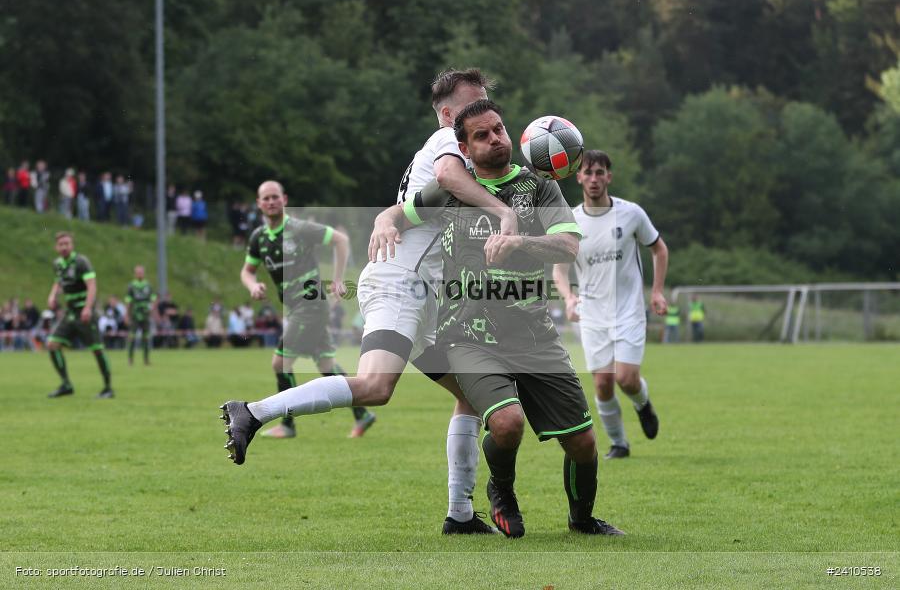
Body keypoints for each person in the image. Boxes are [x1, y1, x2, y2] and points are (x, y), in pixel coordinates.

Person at [220, 68, 516, 535]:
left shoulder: (452, 146)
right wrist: (504, 214)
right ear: (446, 115)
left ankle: (460, 514)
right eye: (472, 105)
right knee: (376, 385)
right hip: (401, 283)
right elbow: (446, 176)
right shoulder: (445, 143)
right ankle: (254, 412)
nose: (483, 114)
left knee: (471, 395)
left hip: (419, 295)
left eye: (487, 105)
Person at [400, 100, 624, 537]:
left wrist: (519, 241)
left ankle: (582, 521)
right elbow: (401, 212)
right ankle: (501, 489)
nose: (496, 138)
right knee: (506, 422)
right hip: (470, 335)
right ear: (464, 147)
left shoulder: (539, 188)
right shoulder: (450, 192)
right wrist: (387, 223)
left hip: (534, 334)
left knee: (582, 442)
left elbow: (568, 248)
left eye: (499, 129)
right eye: (482, 135)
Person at [234, 180, 376, 439]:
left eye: (275, 197)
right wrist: (252, 285)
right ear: (258, 204)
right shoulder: (259, 238)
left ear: (284, 199)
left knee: (280, 363)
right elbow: (247, 271)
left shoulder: (299, 229)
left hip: (310, 304)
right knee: (326, 364)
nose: (270, 202)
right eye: (265, 198)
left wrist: (337, 279)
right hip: (296, 308)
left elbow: (341, 240)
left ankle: (287, 425)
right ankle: (363, 414)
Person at [552, 150, 668, 460]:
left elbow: (659, 249)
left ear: (609, 177)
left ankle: (642, 403)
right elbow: (559, 269)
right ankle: (619, 443)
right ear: (579, 178)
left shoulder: (631, 214)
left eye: (599, 172)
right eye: (588, 173)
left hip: (629, 309)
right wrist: (569, 297)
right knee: (602, 384)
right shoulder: (571, 222)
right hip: (592, 314)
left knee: (626, 379)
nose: (593, 179)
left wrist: (656, 292)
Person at [45, 232, 114, 398]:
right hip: (70, 312)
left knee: (97, 349)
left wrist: (88, 308)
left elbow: (92, 286)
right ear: (56, 247)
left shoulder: (81, 262)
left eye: (67, 243)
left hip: (84, 310)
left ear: (72, 245)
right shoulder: (58, 264)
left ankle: (108, 388)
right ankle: (66, 384)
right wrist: (52, 295)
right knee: (53, 345)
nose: (64, 247)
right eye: (61, 244)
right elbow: (58, 281)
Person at [125, 265, 157, 365]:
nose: (139, 274)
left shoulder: (148, 285)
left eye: (141, 272)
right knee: (132, 337)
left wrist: (152, 310)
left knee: (146, 337)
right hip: (135, 314)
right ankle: (130, 360)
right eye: (137, 272)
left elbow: (154, 299)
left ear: (144, 273)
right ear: (135, 274)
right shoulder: (131, 286)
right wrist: (127, 314)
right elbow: (128, 301)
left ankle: (146, 360)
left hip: (145, 314)